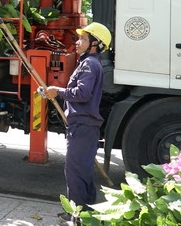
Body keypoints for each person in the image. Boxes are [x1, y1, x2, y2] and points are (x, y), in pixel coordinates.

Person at [43, 22, 111, 222]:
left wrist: (58, 91)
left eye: (83, 38)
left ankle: (78, 217)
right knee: (83, 171)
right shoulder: (89, 62)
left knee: (75, 173)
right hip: (84, 127)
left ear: (95, 43)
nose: (78, 42)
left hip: (83, 126)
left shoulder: (90, 64)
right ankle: (87, 214)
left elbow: (82, 93)